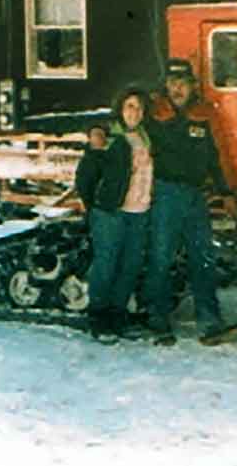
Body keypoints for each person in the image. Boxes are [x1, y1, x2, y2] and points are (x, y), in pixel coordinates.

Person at [145, 58, 237, 347]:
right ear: (165, 86)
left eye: (183, 83)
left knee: (203, 257)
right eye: (172, 83)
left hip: (195, 195)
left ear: (192, 86)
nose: (177, 88)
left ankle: (210, 322)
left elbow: (218, 157)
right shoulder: (154, 113)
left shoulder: (204, 115)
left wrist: (227, 192)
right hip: (164, 193)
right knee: (161, 257)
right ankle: (158, 319)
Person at [75, 88, 154, 344]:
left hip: (139, 212)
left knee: (130, 266)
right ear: (120, 109)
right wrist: (94, 205)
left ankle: (118, 316)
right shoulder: (109, 138)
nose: (135, 112)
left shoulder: (145, 136)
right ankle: (98, 318)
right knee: (106, 264)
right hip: (112, 212)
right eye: (129, 106)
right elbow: (85, 176)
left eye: (139, 107)